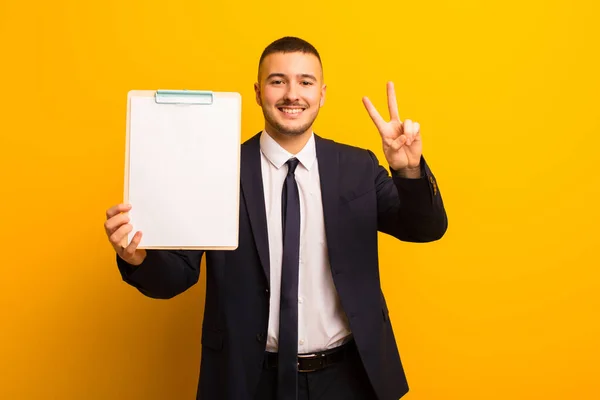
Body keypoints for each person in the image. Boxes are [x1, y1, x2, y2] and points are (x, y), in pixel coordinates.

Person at [104, 36, 448, 400]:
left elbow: (424, 228)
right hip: (249, 382)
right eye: (277, 81)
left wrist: (408, 172)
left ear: (322, 93)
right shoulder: (218, 172)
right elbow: (176, 276)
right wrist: (137, 257)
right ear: (257, 91)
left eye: (305, 81)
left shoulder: (358, 168)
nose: (292, 94)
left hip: (349, 379)